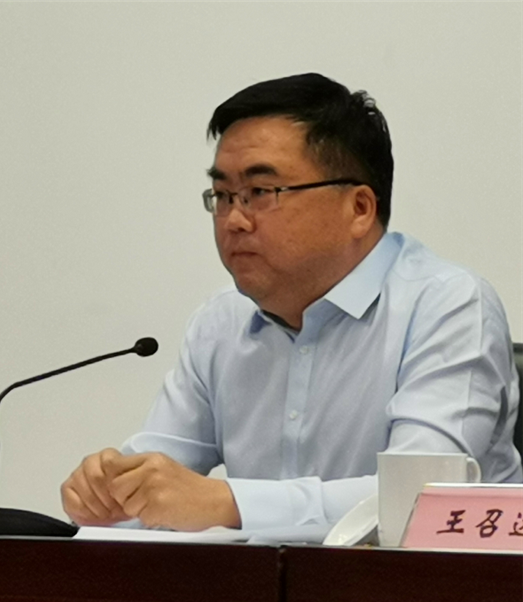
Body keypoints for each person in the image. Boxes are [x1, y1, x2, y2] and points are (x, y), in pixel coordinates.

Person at [61, 73, 523, 533]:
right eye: (222, 196)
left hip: (426, 581)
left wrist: (229, 503)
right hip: (260, 581)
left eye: (261, 193)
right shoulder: (221, 322)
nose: (234, 220)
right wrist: (107, 496)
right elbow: (153, 489)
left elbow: (418, 499)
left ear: (359, 208)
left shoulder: (447, 306)